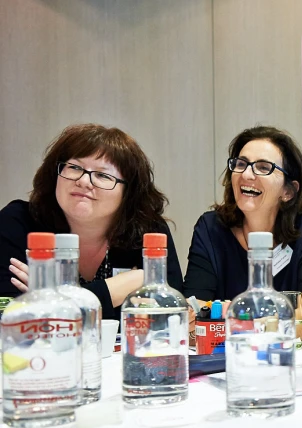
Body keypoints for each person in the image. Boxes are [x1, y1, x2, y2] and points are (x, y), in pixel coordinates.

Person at [0, 123, 182, 319]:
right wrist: (114, 290)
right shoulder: (19, 222)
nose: (84, 181)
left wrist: (52, 301)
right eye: (74, 167)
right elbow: (11, 315)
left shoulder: (147, 231)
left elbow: (171, 316)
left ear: (128, 192)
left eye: (102, 175)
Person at [182, 125, 302, 330]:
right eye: (241, 164)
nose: (247, 174)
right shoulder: (211, 228)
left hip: (286, 350)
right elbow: (194, 307)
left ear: (288, 191)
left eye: (263, 167)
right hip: (224, 352)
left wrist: (251, 325)